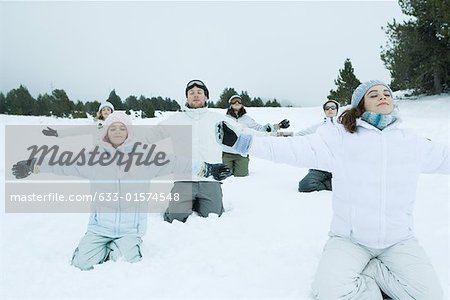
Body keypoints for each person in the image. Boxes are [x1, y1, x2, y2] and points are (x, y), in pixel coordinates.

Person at [216, 80, 448, 299]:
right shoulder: (342, 137)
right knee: (329, 293)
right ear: (360, 104)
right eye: (374, 94)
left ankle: (375, 271)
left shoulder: (410, 141)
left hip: (399, 240)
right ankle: (368, 282)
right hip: (350, 239)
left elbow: (444, 157)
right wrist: (243, 142)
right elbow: (294, 149)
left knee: (431, 296)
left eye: (387, 93)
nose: (382, 97)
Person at [12, 112, 231, 270]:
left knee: (128, 264)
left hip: (130, 229)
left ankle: (120, 248)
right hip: (99, 228)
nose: (117, 131)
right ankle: (103, 248)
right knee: (80, 264)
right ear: (106, 133)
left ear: (129, 132)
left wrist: (207, 168)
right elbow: (63, 165)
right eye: (113, 128)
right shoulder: (93, 158)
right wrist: (34, 165)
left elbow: (177, 163)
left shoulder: (146, 157)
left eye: (122, 128)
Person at [150, 80, 250, 223]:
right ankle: (185, 203)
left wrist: (269, 132)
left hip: (210, 179)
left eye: (199, 92)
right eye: (191, 93)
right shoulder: (176, 119)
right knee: (174, 218)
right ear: (186, 98)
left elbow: (244, 133)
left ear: (206, 97)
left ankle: (200, 202)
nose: (195, 95)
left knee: (213, 216)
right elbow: (152, 134)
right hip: (183, 178)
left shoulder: (218, 119)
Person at [223, 94, 290, 176]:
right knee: (225, 178)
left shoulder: (247, 119)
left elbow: (260, 129)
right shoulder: (224, 119)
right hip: (226, 153)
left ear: (242, 104)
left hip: (242, 153)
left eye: (239, 101)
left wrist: (278, 126)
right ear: (230, 104)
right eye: (234, 101)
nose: (237, 103)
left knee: (242, 177)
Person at [296, 100, 339, 192]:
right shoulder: (318, 127)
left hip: (338, 167)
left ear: (337, 110)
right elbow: (299, 135)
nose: (330, 110)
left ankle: (331, 183)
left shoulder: (343, 127)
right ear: (324, 111)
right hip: (320, 167)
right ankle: (330, 184)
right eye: (327, 108)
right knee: (304, 185)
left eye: (333, 107)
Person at [41, 101, 115, 141]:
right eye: (104, 109)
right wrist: (57, 133)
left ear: (112, 112)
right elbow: (78, 130)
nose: (106, 111)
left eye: (108, 109)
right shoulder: (96, 125)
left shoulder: (117, 124)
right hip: (98, 153)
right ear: (100, 112)